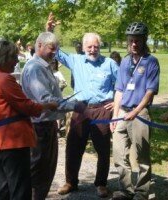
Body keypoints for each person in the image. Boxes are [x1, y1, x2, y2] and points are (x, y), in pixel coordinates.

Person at [46, 13, 118, 198]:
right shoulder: (76, 60)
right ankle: (71, 182)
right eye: (89, 46)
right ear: (84, 47)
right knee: (73, 146)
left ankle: (101, 183)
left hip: (102, 110)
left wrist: (116, 102)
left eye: (96, 46)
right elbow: (55, 51)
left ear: (100, 46)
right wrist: (50, 30)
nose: (93, 50)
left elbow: (122, 86)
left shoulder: (109, 63)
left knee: (102, 149)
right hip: (80, 109)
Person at [0, 40, 58, 200]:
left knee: (3, 186)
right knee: (19, 188)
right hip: (10, 142)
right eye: (14, 57)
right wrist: (48, 105)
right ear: (4, 58)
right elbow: (27, 106)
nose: (16, 61)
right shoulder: (4, 79)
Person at [21, 32, 84, 200]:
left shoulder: (42, 66)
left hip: (45, 125)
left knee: (45, 170)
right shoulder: (35, 68)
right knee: (39, 171)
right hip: (39, 127)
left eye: (56, 49)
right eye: (51, 48)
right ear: (39, 45)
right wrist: (74, 105)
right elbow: (46, 100)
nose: (54, 53)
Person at [110, 22, 160, 200]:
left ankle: (141, 192)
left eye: (137, 40)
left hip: (141, 113)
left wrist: (137, 111)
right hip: (123, 112)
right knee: (118, 153)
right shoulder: (124, 61)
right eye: (131, 40)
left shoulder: (151, 62)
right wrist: (115, 116)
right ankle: (126, 190)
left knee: (142, 156)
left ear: (144, 40)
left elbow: (150, 92)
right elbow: (119, 90)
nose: (133, 44)